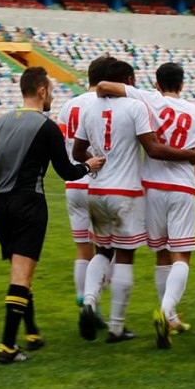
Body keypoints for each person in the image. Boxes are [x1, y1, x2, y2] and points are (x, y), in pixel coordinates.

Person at [0, 67, 106, 364]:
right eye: (51, 91)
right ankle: (6, 346)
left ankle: (31, 331)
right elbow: (66, 171)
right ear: (41, 91)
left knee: (20, 267)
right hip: (28, 203)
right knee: (21, 273)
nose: (52, 97)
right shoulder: (47, 127)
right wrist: (89, 166)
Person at [76, 60, 195, 344]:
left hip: (97, 189)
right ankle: (117, 328)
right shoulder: (134, 107)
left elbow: (78, 150)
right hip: (126, 191)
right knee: (125, 257)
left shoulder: (89, 109)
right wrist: (189, 156)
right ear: (127, 81)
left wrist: (93, 163)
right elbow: (153, 149)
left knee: (101, 250)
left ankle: (90, 302)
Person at [141, 63, 195, 348]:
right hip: (182, 187)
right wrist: (192, 180)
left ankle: (168, 319)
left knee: (161, 255)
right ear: (182, 84)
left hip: (152, 187)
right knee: (181, 255)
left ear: (157, 84)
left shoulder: (148, 101)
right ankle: (168, 311)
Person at [56, 55, 116, 312]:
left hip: (73, 183)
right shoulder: (108, 105)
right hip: (100, 183)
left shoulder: (68, 106)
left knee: (82, 249)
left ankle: (83, 301)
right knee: (107, 249)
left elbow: (60, 144)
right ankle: (94, 299)